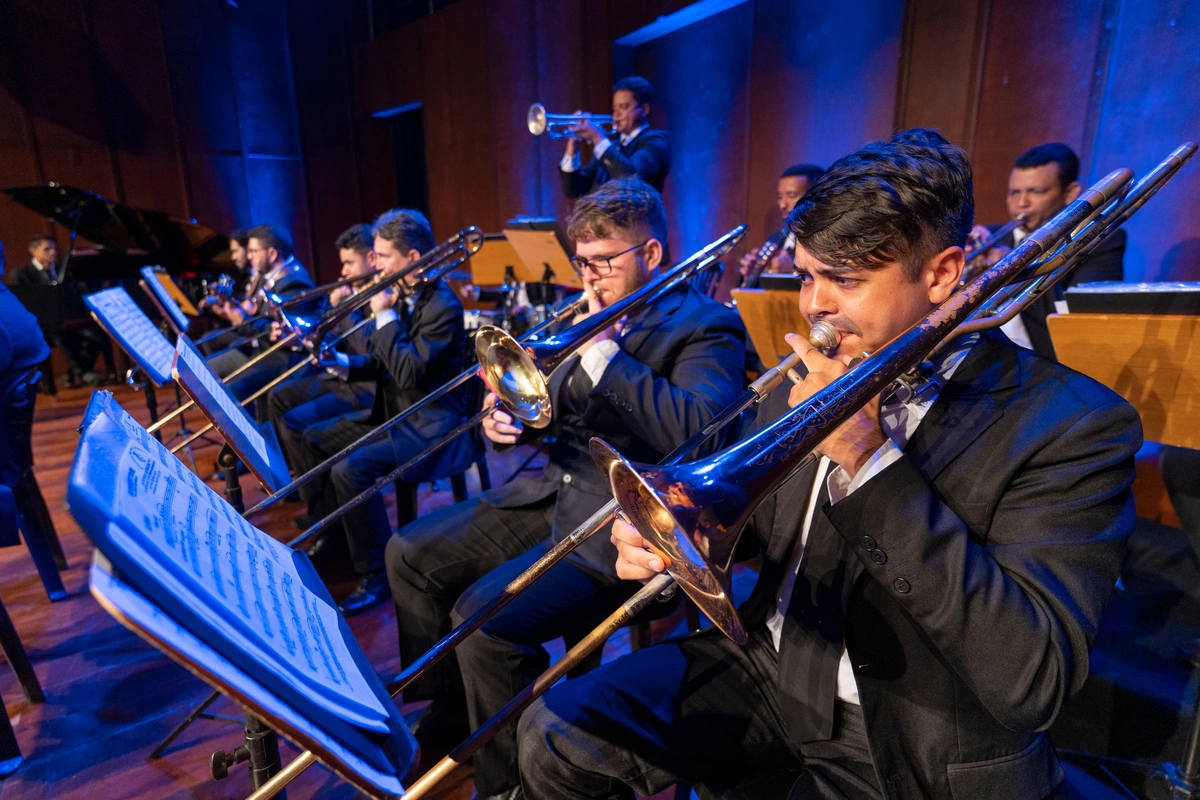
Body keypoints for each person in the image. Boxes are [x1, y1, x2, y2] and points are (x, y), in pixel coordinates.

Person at [517, 129, 1142, 800]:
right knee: (553, 732)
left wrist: (869, 461)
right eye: (809, 274)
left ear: (941, 274)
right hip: (775, 664)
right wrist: (670, 537)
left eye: (844, 279)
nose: (813, 304)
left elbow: (1030, 678)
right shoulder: (813, 372)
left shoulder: (1074, 425)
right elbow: (748, 525)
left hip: (919, 732)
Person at [384, 179, 748, 799]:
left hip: (630, 522)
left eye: (604, 261)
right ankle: (453, 721)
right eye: (582, 261)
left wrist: (607, 358)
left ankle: (509, 785)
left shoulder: (706, 324)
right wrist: (510, 423)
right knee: (410, 555)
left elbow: (700, 432)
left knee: (484, 621)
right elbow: (553, 416)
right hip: (558, 489)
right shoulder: (584, 314)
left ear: (652, 254)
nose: (590, 276)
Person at [297, 209, 472, 616]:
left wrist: (384, 315)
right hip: (396, 415)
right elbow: (383, 364)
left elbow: (409, 373)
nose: (374, 264)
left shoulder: (442, 304)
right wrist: (340, 363)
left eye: (382, 256)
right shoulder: (406, 294)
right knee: (313, 437)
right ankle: (341, 538)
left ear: (412, 258)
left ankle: (376, 573)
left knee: (349, 470)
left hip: (431, 426)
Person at [968, 143, 1125, 358]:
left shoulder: (1100, 241)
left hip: (1043, 366)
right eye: (1014, 192)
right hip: (974, 356)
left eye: (1036, 191)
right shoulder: (989, 237)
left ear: (1070, 193)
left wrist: (1015, 271)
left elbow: (1080, 325)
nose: (1021, 203)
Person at [267, 224, 378, 483]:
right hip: (345, 376)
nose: (344, 272)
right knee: (278, 396)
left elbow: (371, 349)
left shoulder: (380, 296)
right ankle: (291, 479)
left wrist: (345, 311)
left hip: (366, 387)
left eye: (350, 263)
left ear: (371, 259)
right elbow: (332, 337)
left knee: (296, 422)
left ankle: (315, 500)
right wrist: (298, 338)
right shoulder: (354, 292)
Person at [205, 223, 318, 401]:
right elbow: (264, 320)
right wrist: (240, 315)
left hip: (285, 358)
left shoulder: (293, 282)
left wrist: (243, 319)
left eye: (254, 252)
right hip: (264, 347)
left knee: (233, 389)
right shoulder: (273, 276)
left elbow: (287, 336)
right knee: (208, 366)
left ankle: (248, 429)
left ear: (272, 254)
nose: (250, 257)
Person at [13, 234, 115, 386]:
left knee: (100, 333)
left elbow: (75, 297)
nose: (53, 252)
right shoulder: (23, 275)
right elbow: (23, 306)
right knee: (58, 331)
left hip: (70, 322)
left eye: (54, 249)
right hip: (42, 326)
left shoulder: (64, 271)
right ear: (33, 251)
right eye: (47, 249)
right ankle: (83, 373)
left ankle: (75, 373)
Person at [560, 76, 671, 198]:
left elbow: (631, 179)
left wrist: (597, 137)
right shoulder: (613, 146)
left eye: (624, 107)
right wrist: (572, 147)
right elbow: (573, 190)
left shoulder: (657, 140)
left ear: (645, 109)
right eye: (615, 108)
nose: (616, 114)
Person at [739, 163, 825, 286]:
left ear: (815, 197)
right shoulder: (775, 239)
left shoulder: (826, 243)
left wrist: (793, 272)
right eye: (780, 197)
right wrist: (752, 276)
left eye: (791, 196)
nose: (782, 205)